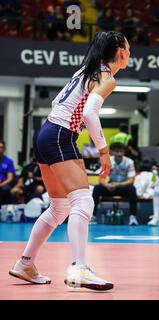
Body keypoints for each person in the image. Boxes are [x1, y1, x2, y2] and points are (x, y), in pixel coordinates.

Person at [9, 31, 130, 290]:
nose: (130, 53)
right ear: (120, 52)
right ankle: (79, 267)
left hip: (46, 133)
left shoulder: (86, 70)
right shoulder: (106, 77)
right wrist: (103, 150)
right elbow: (89, 113)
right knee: (83, 200)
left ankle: (25, 263)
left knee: (59, 207)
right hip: (60, 136)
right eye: (128, 48)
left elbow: (58, 102)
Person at [92, 142, 138, 226]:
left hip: (123, 187)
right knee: (97, 188)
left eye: (121, 151)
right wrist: (107, 185)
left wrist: (117, 184)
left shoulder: (129, 162)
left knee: (132, 189)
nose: (119, 153)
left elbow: (131, 180)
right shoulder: (108, 161)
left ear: (124, 152)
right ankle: (93, 216)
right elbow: (101, 179)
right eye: (117, 151)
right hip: (111, 187)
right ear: (112, 152)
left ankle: (133, 217)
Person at [0, 140, 16, 205]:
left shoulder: (9, 161)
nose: (0, 149)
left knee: (5, 189)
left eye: (1, 147)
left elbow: (10, 178)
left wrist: (1, 185)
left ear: (4, 149)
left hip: (4, 184)